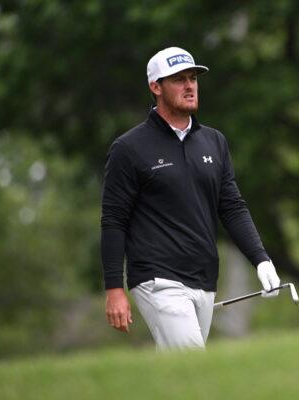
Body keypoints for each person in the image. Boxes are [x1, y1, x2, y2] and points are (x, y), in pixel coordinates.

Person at [100, 46, 280, 350]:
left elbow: (232, 207)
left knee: (178, 375)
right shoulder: (129, 148)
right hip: (158, 280)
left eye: (193, 78)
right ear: (155, 87)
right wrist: (114, 288)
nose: (189, 85)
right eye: (179, 79)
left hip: (205, 279)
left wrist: (261, 259)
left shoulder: (214, 141)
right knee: (193, 360)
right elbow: (114, 220)